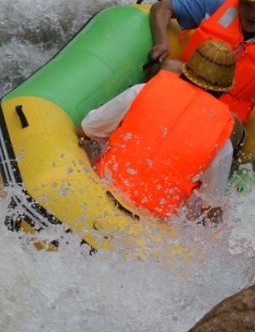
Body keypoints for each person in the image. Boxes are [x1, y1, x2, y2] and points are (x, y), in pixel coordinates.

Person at [76, 40, 237, 223]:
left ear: (184, 72)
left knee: (90, 144)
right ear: (223, 92)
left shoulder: (141, 91)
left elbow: (85, 128)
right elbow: (210, 210)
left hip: (103, 189)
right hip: (151, 223)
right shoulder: (223, 143)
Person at [148, 0, 255, 173]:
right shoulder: (216, 6)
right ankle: (147, 126)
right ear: (239, 0)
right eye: (248, 5)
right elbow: (162, 8)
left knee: (231, 122)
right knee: (170, 66)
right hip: (188, 88)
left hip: (224, 117)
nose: (252, 13)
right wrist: (162, 42)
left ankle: (200, 177)